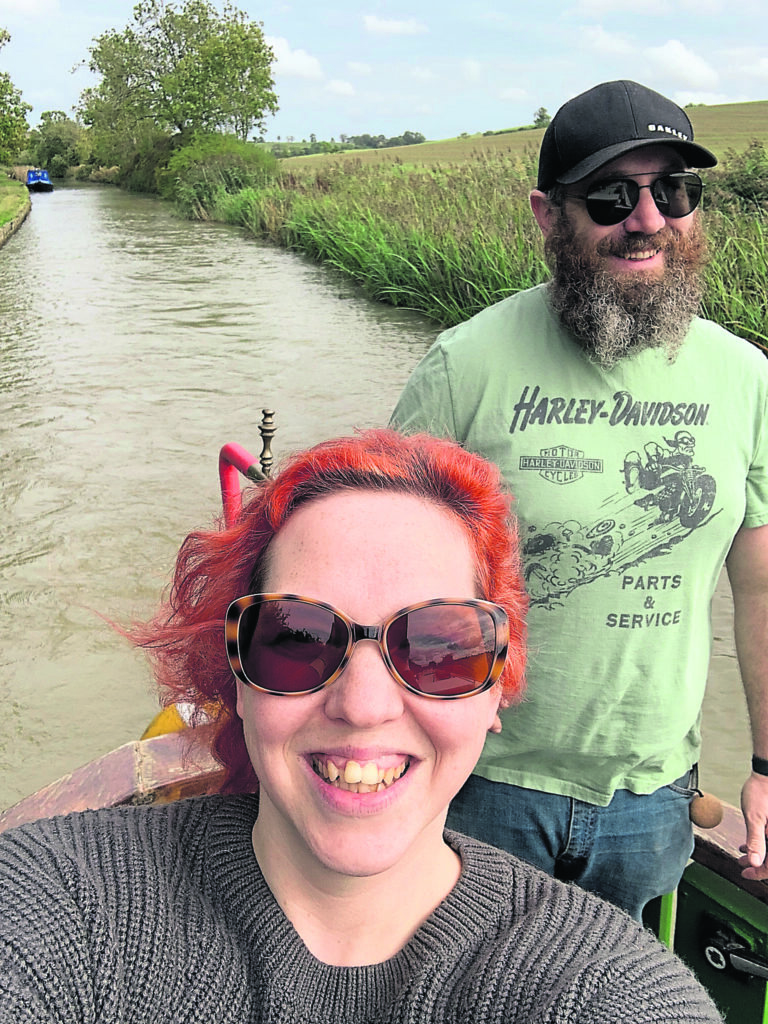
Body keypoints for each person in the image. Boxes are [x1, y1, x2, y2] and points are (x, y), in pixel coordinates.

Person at [0, 429, 722, 1022]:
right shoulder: (64, 902)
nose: (365, 705)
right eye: (295, 639)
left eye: (440, 648)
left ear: (498, 688)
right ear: (239, 684)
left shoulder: (599, 988)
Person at [391, 79, 768, 919]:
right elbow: (387, 585)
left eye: (674, 190)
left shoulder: (746, 379)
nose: (647, 218)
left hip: (653, 797)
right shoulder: (464, 367)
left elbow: (763, 589)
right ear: (546, 215)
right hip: (483, 781)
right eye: (610, 195)